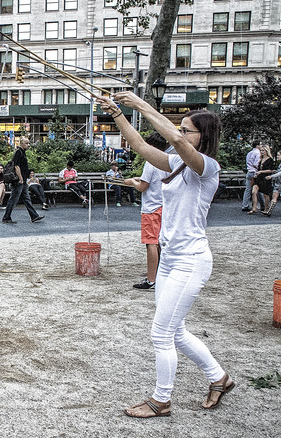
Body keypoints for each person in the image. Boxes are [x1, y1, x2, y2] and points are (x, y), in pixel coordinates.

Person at [97, 91, 233, 417]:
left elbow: (178, 142)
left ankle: (161, 400)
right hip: (171, 260)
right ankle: (219, 378)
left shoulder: (206, 168)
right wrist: (117, 114)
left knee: (161, 333)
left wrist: (142, 105)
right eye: (181, 128)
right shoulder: (176, 164)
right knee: (177, 332)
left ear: (204, 137)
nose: (180, 134)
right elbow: (142, 147)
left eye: (187, 130)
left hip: (191, 261)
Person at [123, 133, 169, 290]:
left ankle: (151, 280)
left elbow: (143, 187)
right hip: (163, 206)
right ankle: (160, 275)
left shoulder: (151, 163)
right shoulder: (166, 161)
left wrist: (132, 182)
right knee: (160, 242)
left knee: (151, 243)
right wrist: (139, 179)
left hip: (151, 208)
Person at [2, 137, 44, 224]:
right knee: (13, 199)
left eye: (29, 143)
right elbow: (16, 166)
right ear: (21, 143)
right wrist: (20, 178)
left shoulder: (22, 152)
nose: (28, 145)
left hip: (23, 181)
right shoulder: (18, 152)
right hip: (18, 181)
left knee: (27, 199)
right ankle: (6, 217)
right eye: (27, 143)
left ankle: (34, 216)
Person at [249, 144, 275, 215]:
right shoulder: (260, 159)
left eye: (263, 150)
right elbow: (259, 168)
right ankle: (254, 208)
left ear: (266, 151)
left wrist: (261, 171)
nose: (262, 152)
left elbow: (271, 170)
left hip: (265, 178)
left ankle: (266, 209)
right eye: (261, 150)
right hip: (259, 178)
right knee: (254, 192)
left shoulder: (270, 160)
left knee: (266, 194)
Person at [242, 141, 261, 212]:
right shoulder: (258, 153)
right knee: (258, 189)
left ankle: (245, 205)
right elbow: (256, 163)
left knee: (248, 189)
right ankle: (262, 205)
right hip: (254, 172)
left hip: (249, 172)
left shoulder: (249, 153)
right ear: (257, 145)